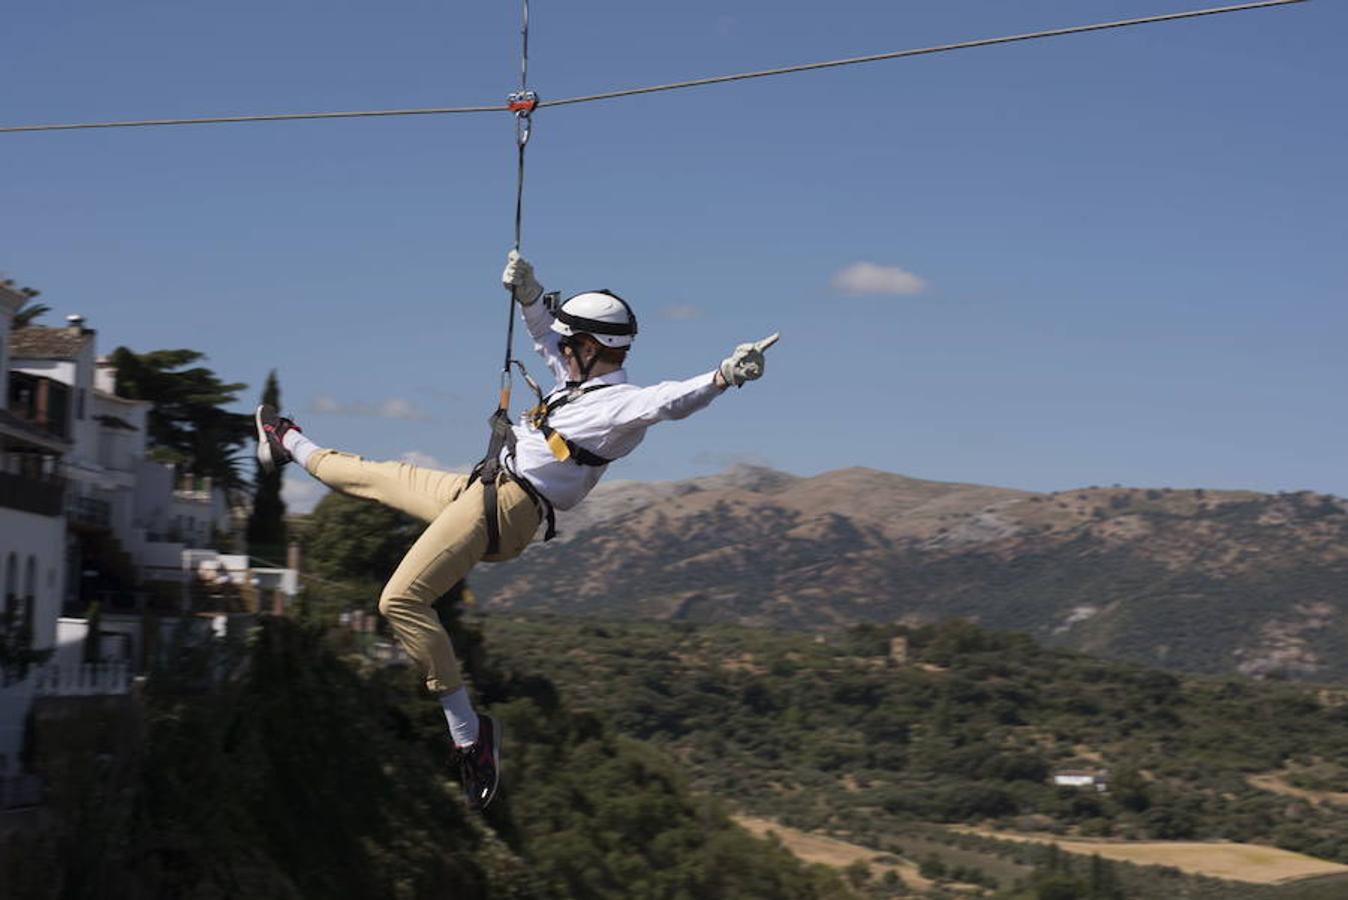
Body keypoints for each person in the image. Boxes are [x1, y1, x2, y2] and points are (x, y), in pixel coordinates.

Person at [254, 251, 778, 811]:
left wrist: (723, 377)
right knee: (373, 477)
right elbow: (543, 337)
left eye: (571, 343)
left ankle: (468, 734)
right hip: (482, 490)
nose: (562, 349)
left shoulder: (619, 405)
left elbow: (670, 401)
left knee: (399, 601)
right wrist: (530, 292)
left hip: (504, 509)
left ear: (593, 348)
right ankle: (287, 441)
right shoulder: (574, 383)